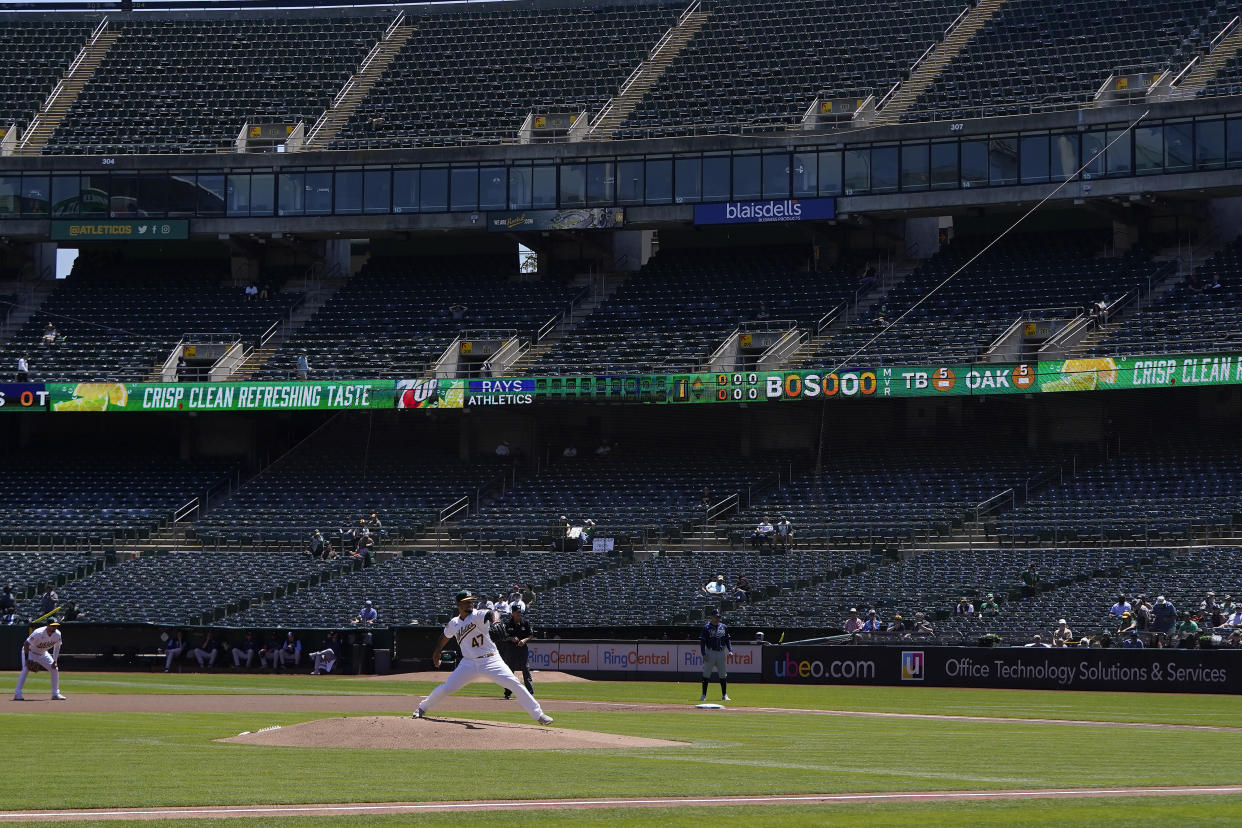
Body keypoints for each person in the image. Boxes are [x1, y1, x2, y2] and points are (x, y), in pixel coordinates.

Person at [412, 590, 553, 725]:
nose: (470, 604)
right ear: (458, 605)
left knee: (514, 683)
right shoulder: (454, 623)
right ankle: (422, 708)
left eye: (471, 601)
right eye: (466, 602)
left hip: (490, 660)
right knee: (447, 687)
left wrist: (496, 622)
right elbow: (445, 636)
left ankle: (538, 714)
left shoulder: (477, 615)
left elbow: (493, 613)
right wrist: (436, 652)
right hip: (468, 663)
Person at [14, 618, 65, 701]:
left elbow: (57, 647)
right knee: (25, 669)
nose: (54, 627)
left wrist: (55, 661)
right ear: (48, 625)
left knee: (54, 669)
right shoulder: (38, 632)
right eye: (52, 626)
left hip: (43, 653)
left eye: (56, 626)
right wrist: (27, 660)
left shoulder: (57, 634)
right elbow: (26, 644)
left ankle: (55, 694)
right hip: (30, 652)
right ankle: (17, 694)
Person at [500, 602, 535, 700]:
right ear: (512, 612)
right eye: (517, 612)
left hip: (522, 649)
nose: (519, 614)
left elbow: (531, 635)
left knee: (526, 669)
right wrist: (511, 638)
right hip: (511, 649)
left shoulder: (525, 623)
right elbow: (503, 637)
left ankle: (530, 693)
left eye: (520, 612)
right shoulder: (507, 624)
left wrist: (524, 640)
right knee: (509, 671)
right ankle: (507, 693)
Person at [699, 607, 732, 702]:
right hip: (710, 652)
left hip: (721, 652)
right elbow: (702, 641)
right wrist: (703, 653)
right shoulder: (707, 627)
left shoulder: (723, 627)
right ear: (711, 617)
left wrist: (730, 650)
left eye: (718, 617)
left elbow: (727, 640)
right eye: (715, 616)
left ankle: (724, 695)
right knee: (706, 674)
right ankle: (703, 695)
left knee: (723, 675)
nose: (717, 618)